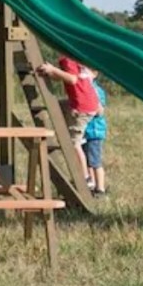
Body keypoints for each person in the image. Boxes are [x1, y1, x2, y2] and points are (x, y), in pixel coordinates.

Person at [35, 54, 100, 185]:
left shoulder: (67, 59)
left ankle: (86, 178)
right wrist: (51, 73)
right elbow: (64, 77)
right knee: (57, 106)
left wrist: (53, 69)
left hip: (81, 107)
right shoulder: (78, 59)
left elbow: (71, 79)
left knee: (74, 144)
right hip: (88, 104)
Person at [83, 74, 107, 197]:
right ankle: (92, 185)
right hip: (86, 132)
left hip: (94, 132)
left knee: (95, 162)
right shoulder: (86, 87)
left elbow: (100, 111)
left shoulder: (96, 90)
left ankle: (101, 188)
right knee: (88, 162)